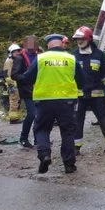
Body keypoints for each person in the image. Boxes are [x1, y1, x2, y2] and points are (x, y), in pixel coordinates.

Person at [19, 34, 79, 174]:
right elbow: (81, 79)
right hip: (67, 101)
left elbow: (27, 77)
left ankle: (45, 154)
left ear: (48, 45)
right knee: (68, 132)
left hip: (44, 101)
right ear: (61, 44)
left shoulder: (41, 58)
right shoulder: (71, 58)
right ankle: (69, 164)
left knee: (42, 129)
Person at [71, 26, 105, 154]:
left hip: (97, 93)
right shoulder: (73, 55)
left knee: (103, 118)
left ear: (88, 39)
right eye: (77, 39)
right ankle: (75, 147)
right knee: (77, 120)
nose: (79, 42)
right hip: (79, 94)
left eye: (82, 39)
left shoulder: (99, 54)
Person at [11, 35, 40, 149]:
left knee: (40, 115)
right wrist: (26, 78)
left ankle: (38, 138)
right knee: (32, 114)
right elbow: (14, 75)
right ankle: (23, 138)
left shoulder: (38, 56)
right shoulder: (20, 58)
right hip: (27, 90)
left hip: (39, 89)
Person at [3, 43, 23, 124]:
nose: (17, 53)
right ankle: (13, 118)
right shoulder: (9, 61)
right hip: (12, 84)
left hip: (15, 83)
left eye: (18, 51)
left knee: (16, 100)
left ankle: (15, 117)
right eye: (15, 52)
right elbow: (7, 74)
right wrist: (11, 84)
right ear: (11, 52)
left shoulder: (15, 60)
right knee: (14, 100)